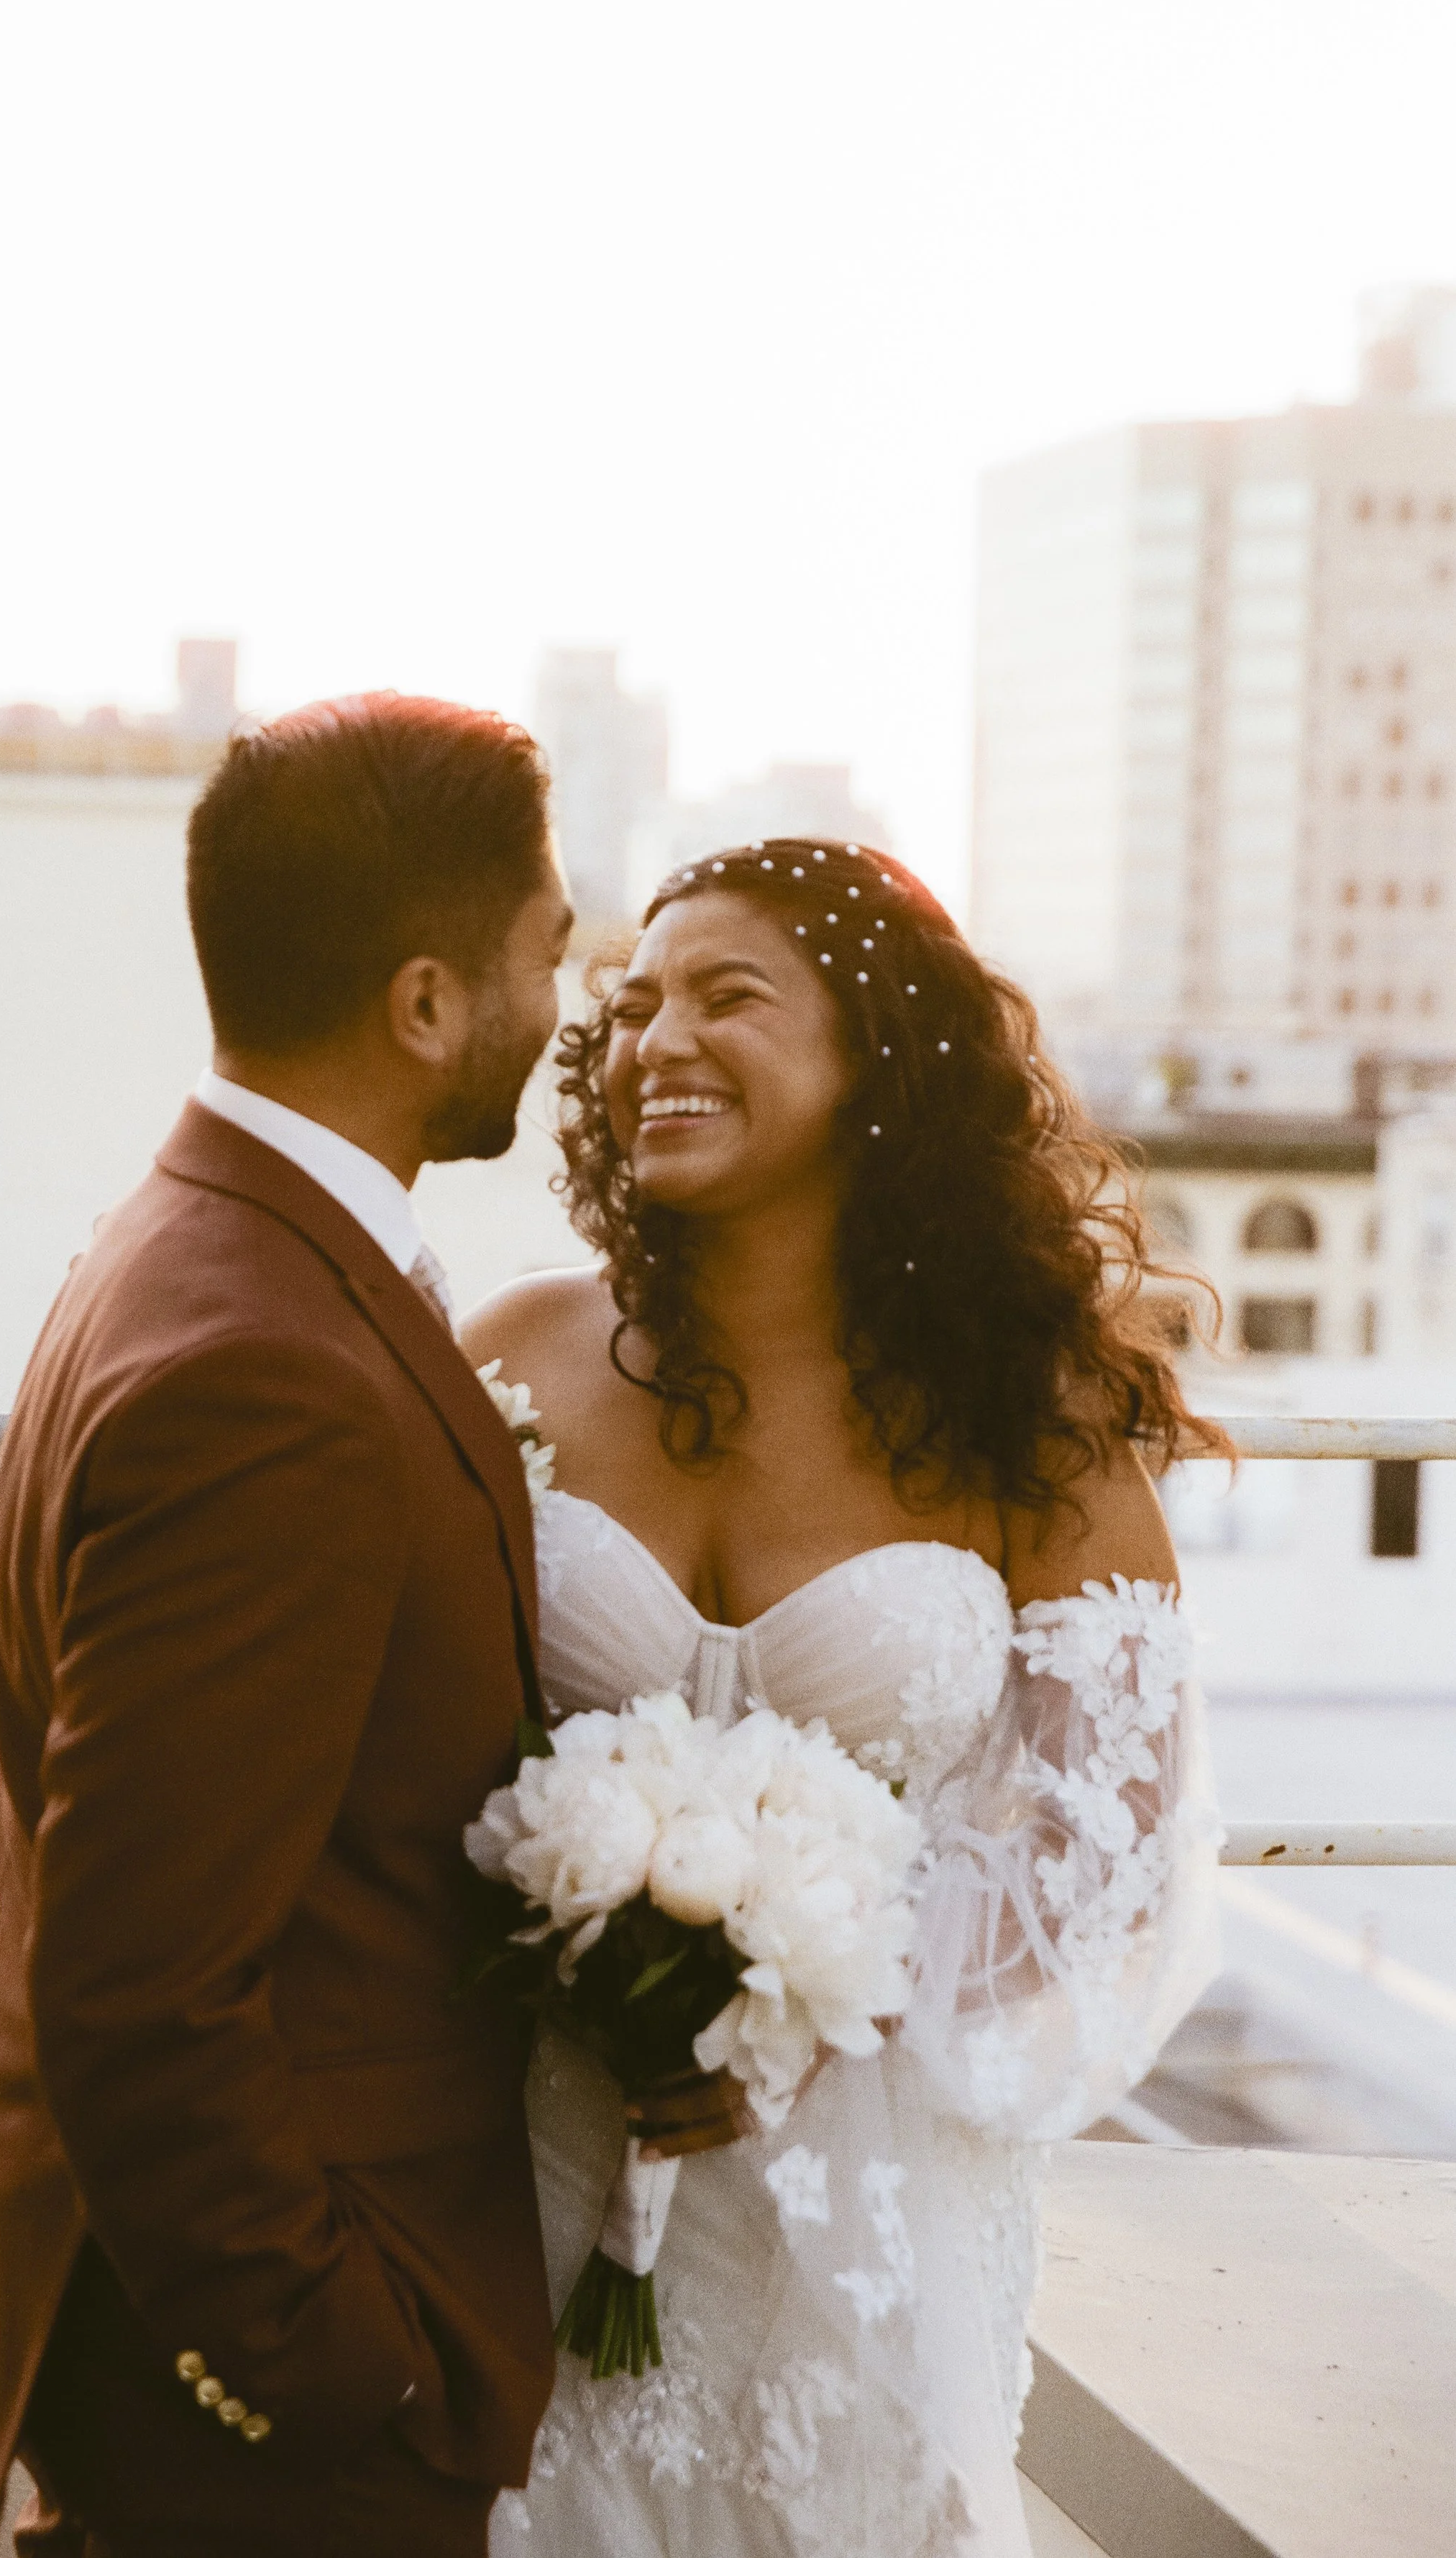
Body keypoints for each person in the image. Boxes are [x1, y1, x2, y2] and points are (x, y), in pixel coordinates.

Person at [463, 836, 1225, 2558]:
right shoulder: (513, 1349)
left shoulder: (1020, 1412)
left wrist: (796, 1992)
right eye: (635, 1000)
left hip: (863, 2227)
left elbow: (1106, 1864)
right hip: (534, 2172)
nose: (659, 1035)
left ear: (880, 1061)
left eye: (730, 995)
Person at [0, 694, 572, 2558]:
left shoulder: (186, 1234)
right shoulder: (275, 1369)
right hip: (272, 2442)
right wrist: (326, 2364)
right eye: (543, 956)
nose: (560, 1007)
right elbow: (141, 1980)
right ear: (424, 1004)